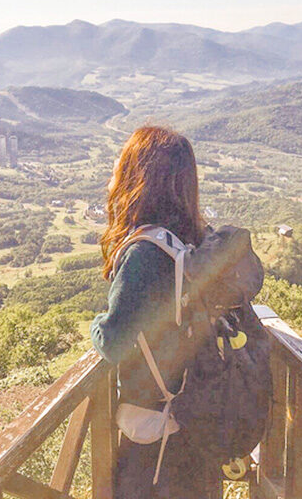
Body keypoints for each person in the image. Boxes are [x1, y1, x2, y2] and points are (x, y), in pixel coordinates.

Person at [90, 126, 222, 498]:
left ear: (139, 178)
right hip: (195, 417)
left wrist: (95, 323)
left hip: (152, 432)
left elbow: (113, 341)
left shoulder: (144, 253)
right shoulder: (195, 238)